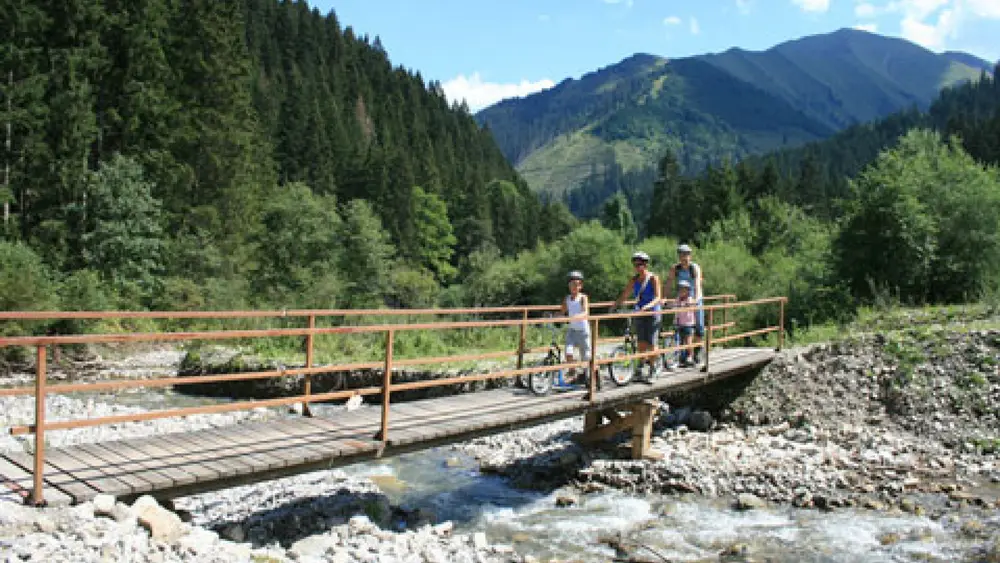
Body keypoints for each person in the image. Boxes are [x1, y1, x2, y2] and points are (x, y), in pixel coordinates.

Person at [615, 251, 662, 382]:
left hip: (653, 313)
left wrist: (648, 306)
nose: (637, 267)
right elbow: (625, 294)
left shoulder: (653, 278)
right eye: (635, 264)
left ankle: (653, 370)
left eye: (640, 264)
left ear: (645, 265)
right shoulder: (634, 280)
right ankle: (640, 368)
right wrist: (615, 305)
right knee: (641, 342)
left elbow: (658, 297)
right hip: (640, 313)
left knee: (652, 342)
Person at [665, 244, 705, 364]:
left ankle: (697, 351)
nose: (684, 257)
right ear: (679, 256)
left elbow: (697, 284)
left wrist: (696, 299)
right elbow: (669, 283)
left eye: (686, 254)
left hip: (694, 299)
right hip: (682, 299)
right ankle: (684, 354)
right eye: (682, 255)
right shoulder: (675, 268)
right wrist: (664, 298)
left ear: (690, 256)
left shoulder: (695, 268)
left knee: (699, 327)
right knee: (681, 326)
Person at [560, 270, 592, 384]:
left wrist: (575, 316)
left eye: (576, 284)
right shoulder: (567, 298)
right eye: (571, 284)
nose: (574, 287)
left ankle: (591, 377)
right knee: (568, 352)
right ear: (569, 286)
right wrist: (551, 317)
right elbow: (562, 311)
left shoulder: (583, 297)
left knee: (586, 356)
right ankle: (572, 372)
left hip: (583, 330)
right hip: (572, 330)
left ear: (580, 286)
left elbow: (586, 312)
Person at [670, 280, 698, 367]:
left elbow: (694, 303)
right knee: (680, 341)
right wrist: (669, 305)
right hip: (679, 323)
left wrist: (689, 304)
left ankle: (690, 356)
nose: (681, 291)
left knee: (688, 341)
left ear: (688, 291)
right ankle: (680, 357)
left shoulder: (689, 299)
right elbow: (673, 306)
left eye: (683, 290)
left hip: (688, 323)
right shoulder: (678, 299)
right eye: (680, 289)